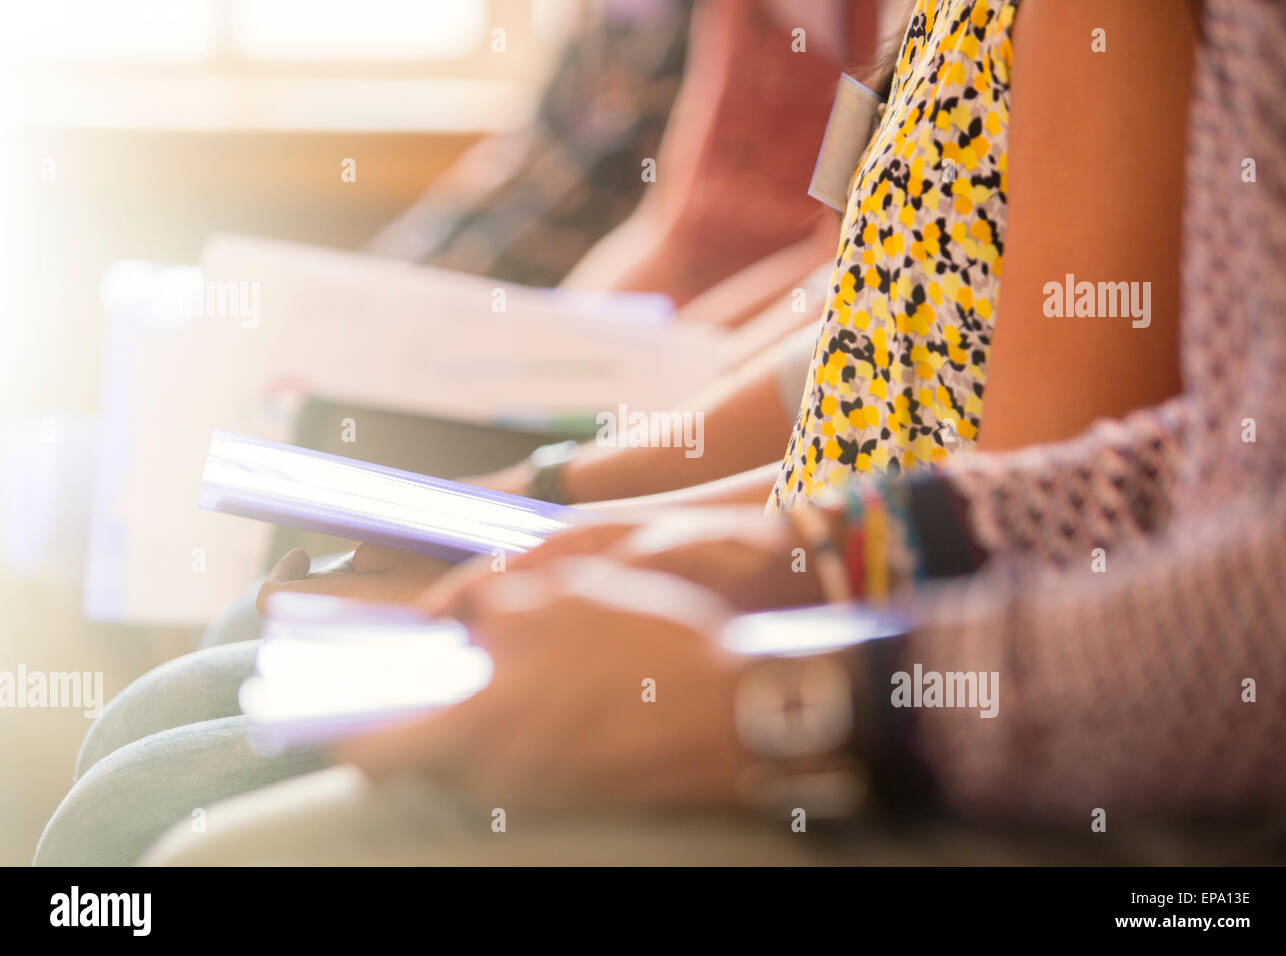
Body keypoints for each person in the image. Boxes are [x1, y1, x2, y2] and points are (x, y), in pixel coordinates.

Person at [35, 0, 1201, 864]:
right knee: (179, 705)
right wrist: (541, 505)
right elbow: (862, 341)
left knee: (155, 811)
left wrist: (623, 581)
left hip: (909, 661)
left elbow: (1012, 512)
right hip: (818, 557)